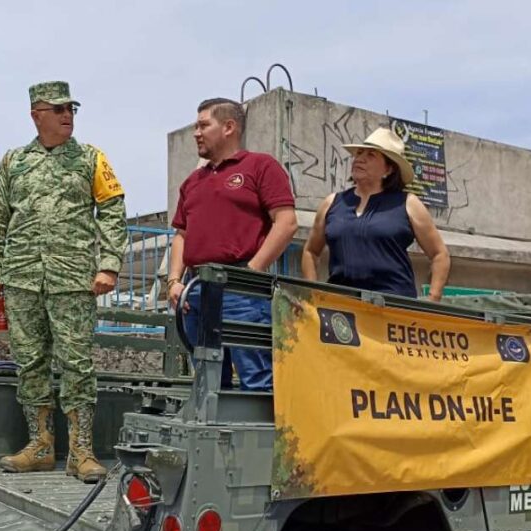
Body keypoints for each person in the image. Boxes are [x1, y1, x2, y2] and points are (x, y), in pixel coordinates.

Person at [0, 81, 127, 483]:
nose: (67, 116)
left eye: (71, 109)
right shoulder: (14, 163)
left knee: (77, 363)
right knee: (30, 363)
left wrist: (109, 264)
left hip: (73, 279)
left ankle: (81, 452)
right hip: (23, 277)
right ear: (36, 115)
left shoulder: (91, 159)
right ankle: (40, 446)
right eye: (58, 109)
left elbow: (112, 212)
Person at [166, 98, 298, 390]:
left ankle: (262, 435)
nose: (196, 133)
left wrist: (251, 271)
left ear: (229, 127)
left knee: (257, 377)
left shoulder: (260, 166)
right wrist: (174, 280)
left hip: (241, 287)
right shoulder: (192, 182)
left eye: (203, 125)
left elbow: (286, 222)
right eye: (195, 126)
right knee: (207, 379)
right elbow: (181, 234)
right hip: (196, 288)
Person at [301, 127, 450, 299]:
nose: (360, 159)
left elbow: (440, 254)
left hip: (393, 310)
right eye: (359, 153)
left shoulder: (408, 204)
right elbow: (310, 251)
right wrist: (312, 294)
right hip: (341, 310)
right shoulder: (331, 203)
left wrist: (433, 298)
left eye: (371, 155)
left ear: (388, 169)